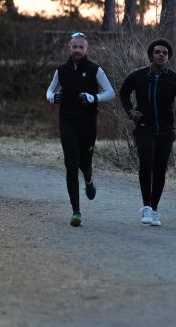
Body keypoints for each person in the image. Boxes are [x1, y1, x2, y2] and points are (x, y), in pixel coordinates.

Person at [118, 38, 176, 227]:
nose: (161, 55)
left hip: (166, 130)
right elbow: (123, 93)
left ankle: (154, 209)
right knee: (146, 162)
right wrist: (130, 112)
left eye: (165, 53)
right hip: (144, 127)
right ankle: (146, 206)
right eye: (158, 52)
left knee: (160, 169)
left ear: (168, 57)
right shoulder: (138, 76)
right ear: (151, 55)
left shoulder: (175, 79)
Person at [45, 32, 116, 227]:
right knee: (71, 164)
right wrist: (52, 97)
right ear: (69, 48)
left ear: (87, 49)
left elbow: (111, 93)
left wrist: (94, 98)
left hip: (88, 124)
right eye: (74, 46)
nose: (77, 50)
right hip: (67, 123)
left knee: (85, 164)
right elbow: (50, 90)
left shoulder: (95, 70)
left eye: (81, 47)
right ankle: (76, 211)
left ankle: (88, 180)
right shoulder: (61, 70)